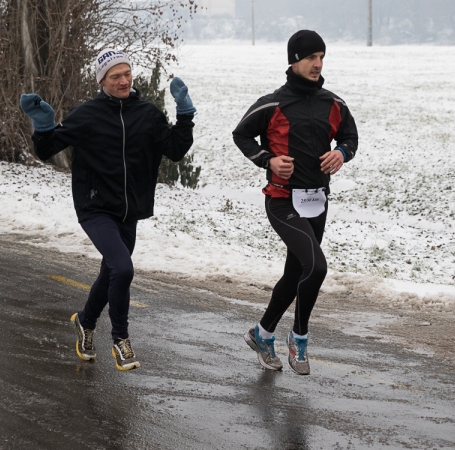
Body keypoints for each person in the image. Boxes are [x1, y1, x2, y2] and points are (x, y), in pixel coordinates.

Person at [19, 48, 196, 371]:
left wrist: (185, 114)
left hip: (131, 210)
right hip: (95, 207)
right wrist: (43, 123)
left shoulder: (148, 113)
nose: (124, 80)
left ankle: (86, 322)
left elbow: (175, 150)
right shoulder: (86, 115)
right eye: (116, 76)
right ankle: (121, 340)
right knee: (123, 269)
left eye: (127, 74)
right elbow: (47, 150)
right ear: (102, 80)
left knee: (112, 270)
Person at [233, 31, 359, 375]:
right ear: (294, 61)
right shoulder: (272, 104)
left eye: (321, 57)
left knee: (295, 274)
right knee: (316, 267)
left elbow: (350, 136)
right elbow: (240, 134)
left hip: (317, 202)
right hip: (282, 201)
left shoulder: (334, 103)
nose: (318, 64)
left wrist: (341, 152)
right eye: (310, 57)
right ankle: (299, 338)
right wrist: (267, 159)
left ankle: (261, 334)